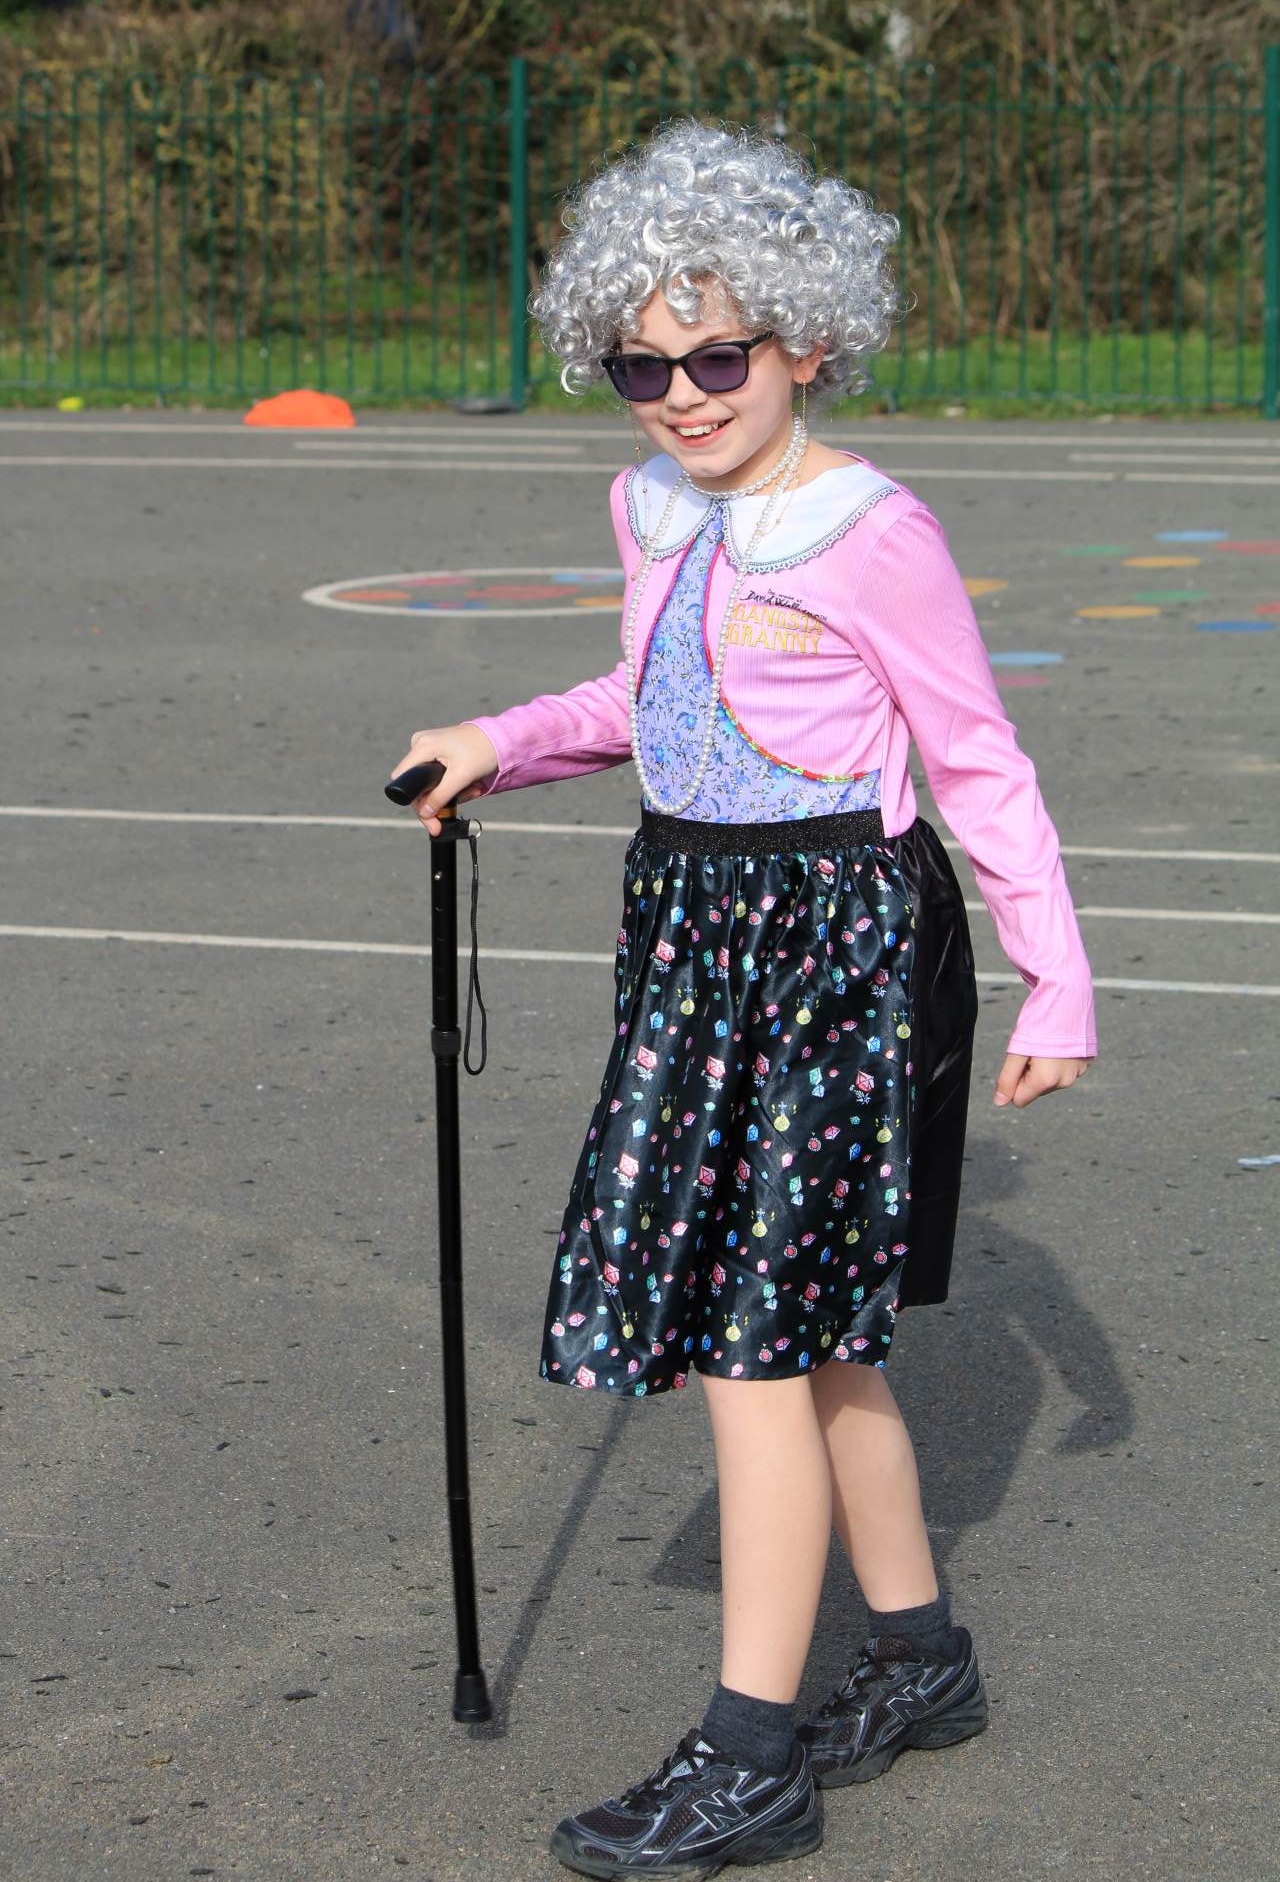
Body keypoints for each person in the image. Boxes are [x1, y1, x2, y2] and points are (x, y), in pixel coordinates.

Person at [391, 119, 1095, 1878]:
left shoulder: (871, 530)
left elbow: (977, 759)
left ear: (809, 343)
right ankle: (919, 1656)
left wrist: (1056, 979)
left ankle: (750, 1753)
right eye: (644, 365)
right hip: (696, 934)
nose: (684, 396)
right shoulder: (648, 508)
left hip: (840, 949)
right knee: (814, 1331)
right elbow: (654, 700)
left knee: (752, 1342)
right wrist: (499, 740)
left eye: (719, 358)